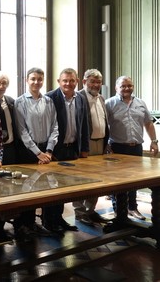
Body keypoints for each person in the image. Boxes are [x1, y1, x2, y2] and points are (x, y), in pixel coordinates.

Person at [13, 67, 59, 239]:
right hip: (27, 152)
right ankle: (22, 226)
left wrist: (48, 150)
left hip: (46, 152)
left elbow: (55, 127)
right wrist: (37, 152)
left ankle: (34, 224)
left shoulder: (48, 101)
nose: (36, 82)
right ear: (26, 80)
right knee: (26, 191)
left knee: (42, 190)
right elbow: (21, 130)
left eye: (39, 79)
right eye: (33, 79)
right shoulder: (20, 101)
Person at [106, 75, 159, 220]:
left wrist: (154, 141)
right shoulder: (109, 103)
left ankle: (132, 208)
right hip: (117, 147)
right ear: (116, 88)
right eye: (123, 86)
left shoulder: (140, 103)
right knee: (118, 181)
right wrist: (106, 144)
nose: (126, 88)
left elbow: (148, 123)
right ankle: (119, 212)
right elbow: (104, 125)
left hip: (136, 147)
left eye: (129, 85)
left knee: (135, 180)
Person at [43, 68, 89, 233]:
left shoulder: (81, 98)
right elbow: (47, 126)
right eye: (65, 81)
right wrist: (48, 150)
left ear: (77, 81)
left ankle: (59, 219)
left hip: (73, 149)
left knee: (63, 189)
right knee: (52, 188)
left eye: (71, 80)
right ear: (59, 82)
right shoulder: (49, 97)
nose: (68, 84)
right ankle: (49, 222)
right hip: (55, 150)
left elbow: (84, 124)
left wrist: (84, 148)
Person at [74, 69, 110, 225]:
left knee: (96, 180)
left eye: (98, 82)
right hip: (85, 145)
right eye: (92, 81)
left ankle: (90, 210)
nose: (96, 85)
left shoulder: (101, 98)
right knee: (80, 180)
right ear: (84, 82)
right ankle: (80, 212)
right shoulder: (78, 97)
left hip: (100, 144)